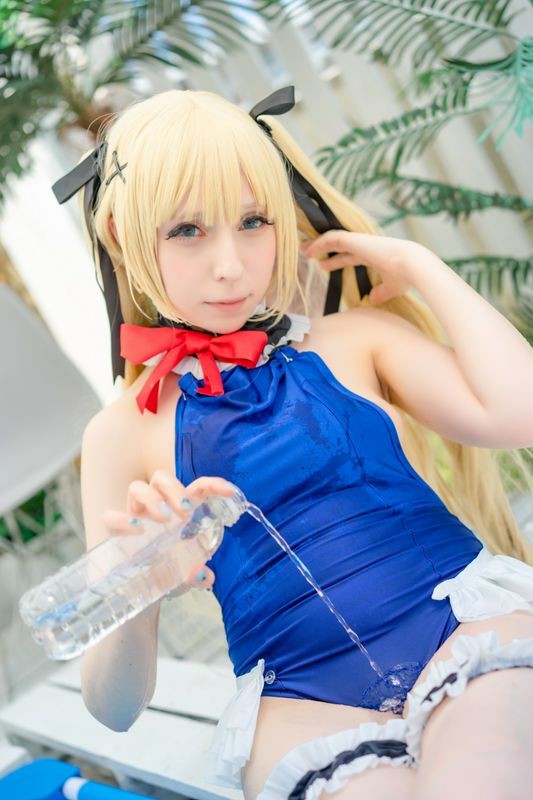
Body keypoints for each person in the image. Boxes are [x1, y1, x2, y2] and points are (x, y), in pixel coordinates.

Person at [53, 86, 533, 800]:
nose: (230, 264)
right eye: (187, 230)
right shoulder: (121, 434)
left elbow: (520, 415)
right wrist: (143, 575)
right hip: (301, 705)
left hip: (458, 626)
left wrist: (419, 266)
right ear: (123, 235)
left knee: (480, 780)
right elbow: (113, 707)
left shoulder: (351, 341)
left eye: (253, 221)